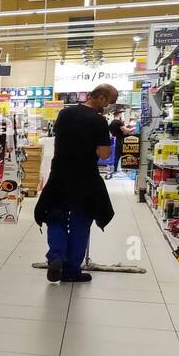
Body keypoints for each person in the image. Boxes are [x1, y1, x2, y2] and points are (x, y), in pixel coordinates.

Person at [32, 83, 118, 282]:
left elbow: (58, 142)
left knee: (56, 216)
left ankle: (56, 256)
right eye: (110, 103)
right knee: (81, 220)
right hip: (85, 177)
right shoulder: (98, 122)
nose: (109, 107)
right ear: (102, 98)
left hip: (60, 174)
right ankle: (71, 271)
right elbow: (104, 154)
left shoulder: (65, 114)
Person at [107, 107, 131, 174]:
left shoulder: (112, 123)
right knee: (123, 154)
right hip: (121, 140)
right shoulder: (118, 122)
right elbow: (125, 130)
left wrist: (125, 126)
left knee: (116, 155)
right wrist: (133, 129)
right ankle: (122, 169)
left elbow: (119, 129)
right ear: (119, 115)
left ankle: (115, 169)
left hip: (116, 139)